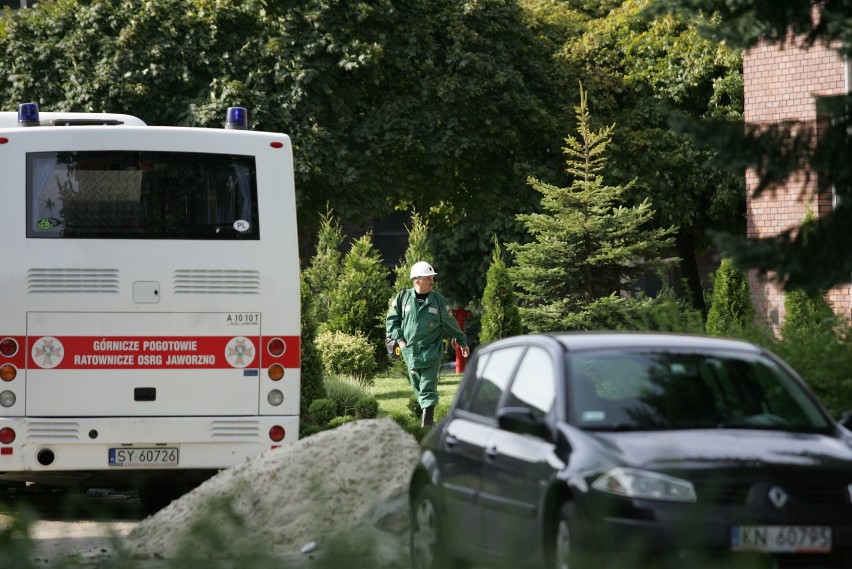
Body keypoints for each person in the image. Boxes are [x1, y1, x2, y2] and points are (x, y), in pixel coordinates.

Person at [386, 261, 470, 427]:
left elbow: (450, 323)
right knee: (418, 387)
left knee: (427, 388)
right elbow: (391, 321)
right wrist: (401, 343)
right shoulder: (402, 298)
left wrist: (462, 342)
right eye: (429, 277)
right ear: (418, 281)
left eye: (432, 277)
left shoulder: (438, 300)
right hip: (409, 352)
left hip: (432, 352)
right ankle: (427, 418)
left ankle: (427, 426)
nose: (433, 280)